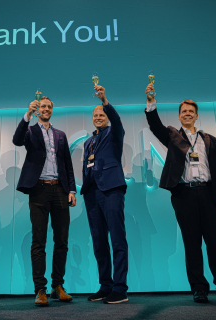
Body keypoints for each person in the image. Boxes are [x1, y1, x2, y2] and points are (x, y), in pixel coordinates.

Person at [144, 83, 216, 303]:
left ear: (196, 116)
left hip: (210, 194)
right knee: (192, 244)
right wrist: (151, 101)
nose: (187, 114)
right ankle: (199, 289)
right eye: (184, 112)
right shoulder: (172, 136)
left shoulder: (209, 139)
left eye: (191, 111)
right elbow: (154, 125)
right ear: (180, 116)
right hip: (185, 195)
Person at [12, 96, 76, 306]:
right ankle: (40, 289)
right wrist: (27, 116)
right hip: (38, 189)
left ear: (52, 110)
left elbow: (67, 163)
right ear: (37, 110)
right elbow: (17, 140)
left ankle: (58, 286)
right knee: (39, 241)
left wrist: (72, 189)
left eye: (49, 106)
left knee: (62, 240)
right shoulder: (30, 130)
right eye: (42, 106)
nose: (46, 109)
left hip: (60, 189)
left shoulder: (60, 135)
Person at [81, 85, 129, 304]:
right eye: (95, 115)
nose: (98, 117)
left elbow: (117, 121)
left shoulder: (114, 132)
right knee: (99, 242)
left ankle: (120, 288)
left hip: (111, 190)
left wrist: (105, 101)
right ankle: (105, 285)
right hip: (92, 194)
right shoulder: (88, 142)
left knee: (117, 240)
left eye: (102, 114)